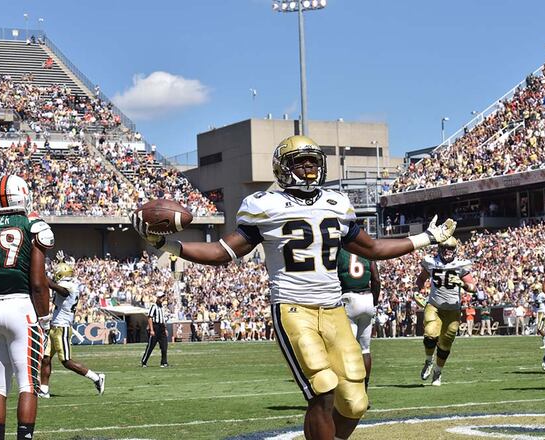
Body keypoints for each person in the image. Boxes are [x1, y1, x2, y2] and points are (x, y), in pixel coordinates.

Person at [131, 135, 456, 440]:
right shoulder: (265, 204)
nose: (309, 168)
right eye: (300, 162)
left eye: (313, 162)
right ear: (283, 168)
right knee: (323, 388)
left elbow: (373, 249)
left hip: (334, 310)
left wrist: (426, 238)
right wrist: (166, 245)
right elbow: (221, 252)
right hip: (293, 308)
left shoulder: (336, 202)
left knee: (356, 401)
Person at [0, 174, 54, 440]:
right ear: (23, 195)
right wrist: (45, 318)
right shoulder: (32, 224)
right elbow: (38, 282)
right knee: (28, 383)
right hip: (20, 307)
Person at [38, 262, 105, 398]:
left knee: (66, 361)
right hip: (54, 326)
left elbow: (58, 288)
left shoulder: (68, 286)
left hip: (62, 328)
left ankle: (97, 378)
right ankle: (44, 390)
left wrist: (40, 274)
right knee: (45, 358)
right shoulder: (69, 284)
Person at [414, 237, 475, 386]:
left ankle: (438, 372)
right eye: (445, 248)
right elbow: (420, 279)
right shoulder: (431, 262)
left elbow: (473, 287)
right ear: (439, 249)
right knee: (430, 333)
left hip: (452, 310)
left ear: (455, 250)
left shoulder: (461, 265)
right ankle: (428, 361)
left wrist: (462, 284)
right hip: (434, 305)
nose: (448, 251)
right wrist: (418, 291)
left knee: (445, 343)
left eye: (451, 248)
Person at [337, 247, 380, 391]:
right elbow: (376, 279)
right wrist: (374, 301)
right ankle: (364, 390)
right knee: (365, 349)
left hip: (349, 298)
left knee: (347, 349)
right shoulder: (365, 250)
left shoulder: (340, 251)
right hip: (367, 298)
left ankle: (351, 390)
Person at [141, 292, 168, 367]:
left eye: (163, 297)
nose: (162, 299)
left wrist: (165, 328)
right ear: (158, 298)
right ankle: (144, 361)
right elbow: (150, 318)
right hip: (155, 327)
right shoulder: (154, 306)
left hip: (161, 327)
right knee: (150, 346)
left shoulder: (162, 307)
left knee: (164, 346)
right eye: (161, 297)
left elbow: (163, 319)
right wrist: (152, 329)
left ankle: (164, 362)